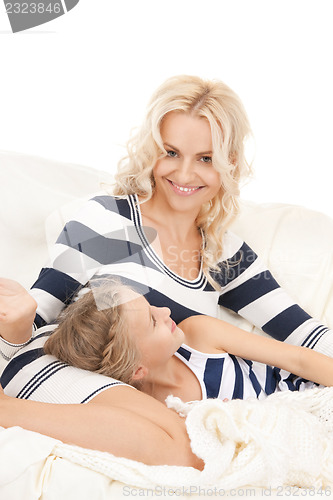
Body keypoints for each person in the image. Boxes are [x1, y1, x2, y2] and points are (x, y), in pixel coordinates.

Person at [28, 75, 332, 357]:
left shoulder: (225, 256)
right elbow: (32, 320)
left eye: (206, 159)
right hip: (80, 391)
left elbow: (305, 334)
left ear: (231, 164)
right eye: (171, 152)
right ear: (152, 150)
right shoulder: (108, 219)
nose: (185, 175)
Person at [1, 278, 332, 408]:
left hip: (309, 389)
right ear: (138, 369)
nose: (165, 310)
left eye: (151, 306)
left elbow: (300, 361)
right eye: (152, 320)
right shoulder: (158, 410)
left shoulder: (201, 335)